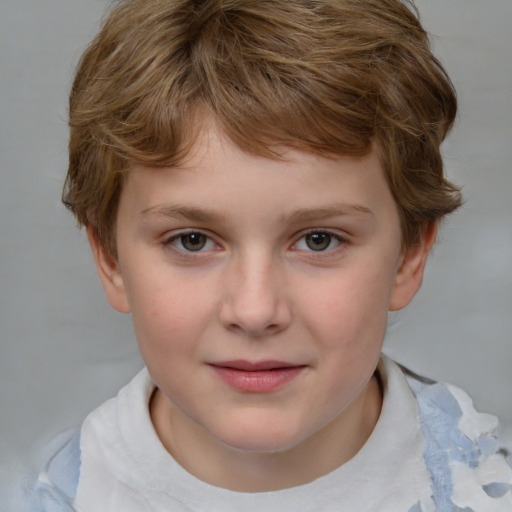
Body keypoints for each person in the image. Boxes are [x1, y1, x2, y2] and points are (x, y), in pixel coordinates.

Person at [33, 0, 512, 510]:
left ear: (409, 255)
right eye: (192, 240)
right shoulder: (62, 496)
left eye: (319, 240)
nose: (256, 311)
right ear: (111, 261)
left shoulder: (483, 488)